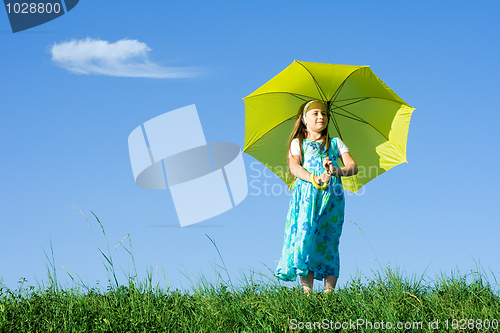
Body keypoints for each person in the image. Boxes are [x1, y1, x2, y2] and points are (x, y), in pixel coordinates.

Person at [275, 100, 358, 294]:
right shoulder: (299, 143)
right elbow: (294, 167)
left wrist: (335, 170)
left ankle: (329, 294)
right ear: (304, 119)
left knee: (329, 238)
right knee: (307, 237)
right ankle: (307, 292)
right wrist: (313, 178)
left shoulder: (336, 143)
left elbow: (353, 167)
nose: (321, 117)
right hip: (307, 197)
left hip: (332, 197)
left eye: (324, 114)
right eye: (315, 113)